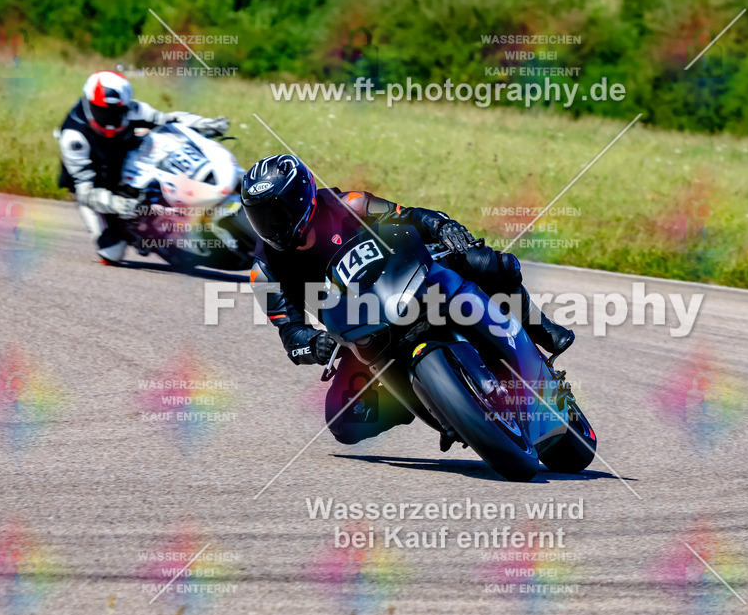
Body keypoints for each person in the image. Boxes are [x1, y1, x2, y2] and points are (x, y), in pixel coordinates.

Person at [241, 153, 574, 446]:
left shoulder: (347, 205)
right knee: (342, 419)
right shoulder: (264, 271)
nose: (272, 226)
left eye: (278, 212)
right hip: (363, 331)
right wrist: (316, 344)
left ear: (304, 197)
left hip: (409, 281)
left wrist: (441, 226)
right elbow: (292, 337)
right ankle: (432, 401)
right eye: (261, 217)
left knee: (484, 262)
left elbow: (408, 215)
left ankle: (538, 327)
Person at [56, 70, 229, 263]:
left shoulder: (132, 109)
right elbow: (85, 192)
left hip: (127, 160)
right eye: (104, 113)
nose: (111, 121)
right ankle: (136, 233)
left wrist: (204, 123)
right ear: (90, 104)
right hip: (96, 184)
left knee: (164, 141)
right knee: (111, 252)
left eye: (116, 114)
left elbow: (170, 120)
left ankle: (184, 206)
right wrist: (120, 205)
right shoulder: (73, 137)